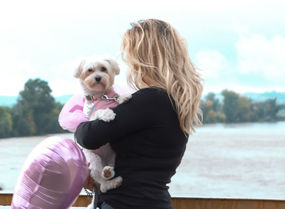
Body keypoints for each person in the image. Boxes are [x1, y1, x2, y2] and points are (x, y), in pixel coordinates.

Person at [75, 19, 203, 209]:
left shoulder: (150, 100)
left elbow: (88, 136)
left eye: (131, 55)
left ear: (143, 58)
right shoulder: (178, 103)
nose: (129, 63)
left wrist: (82, 120)